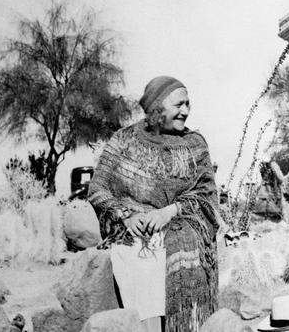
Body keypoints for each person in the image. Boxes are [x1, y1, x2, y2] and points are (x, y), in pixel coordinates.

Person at [88, 76, 219, 331]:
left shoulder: (195, 144)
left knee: (178, 250)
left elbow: (206, 194)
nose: (185, 111)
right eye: (178, 105)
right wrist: (125, 216)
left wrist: (170, 211)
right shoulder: (124, 140)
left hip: (183, 223)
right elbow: (98, 188)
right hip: (135, 229)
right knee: (142, 259)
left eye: (188, 104)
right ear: (157, 107)